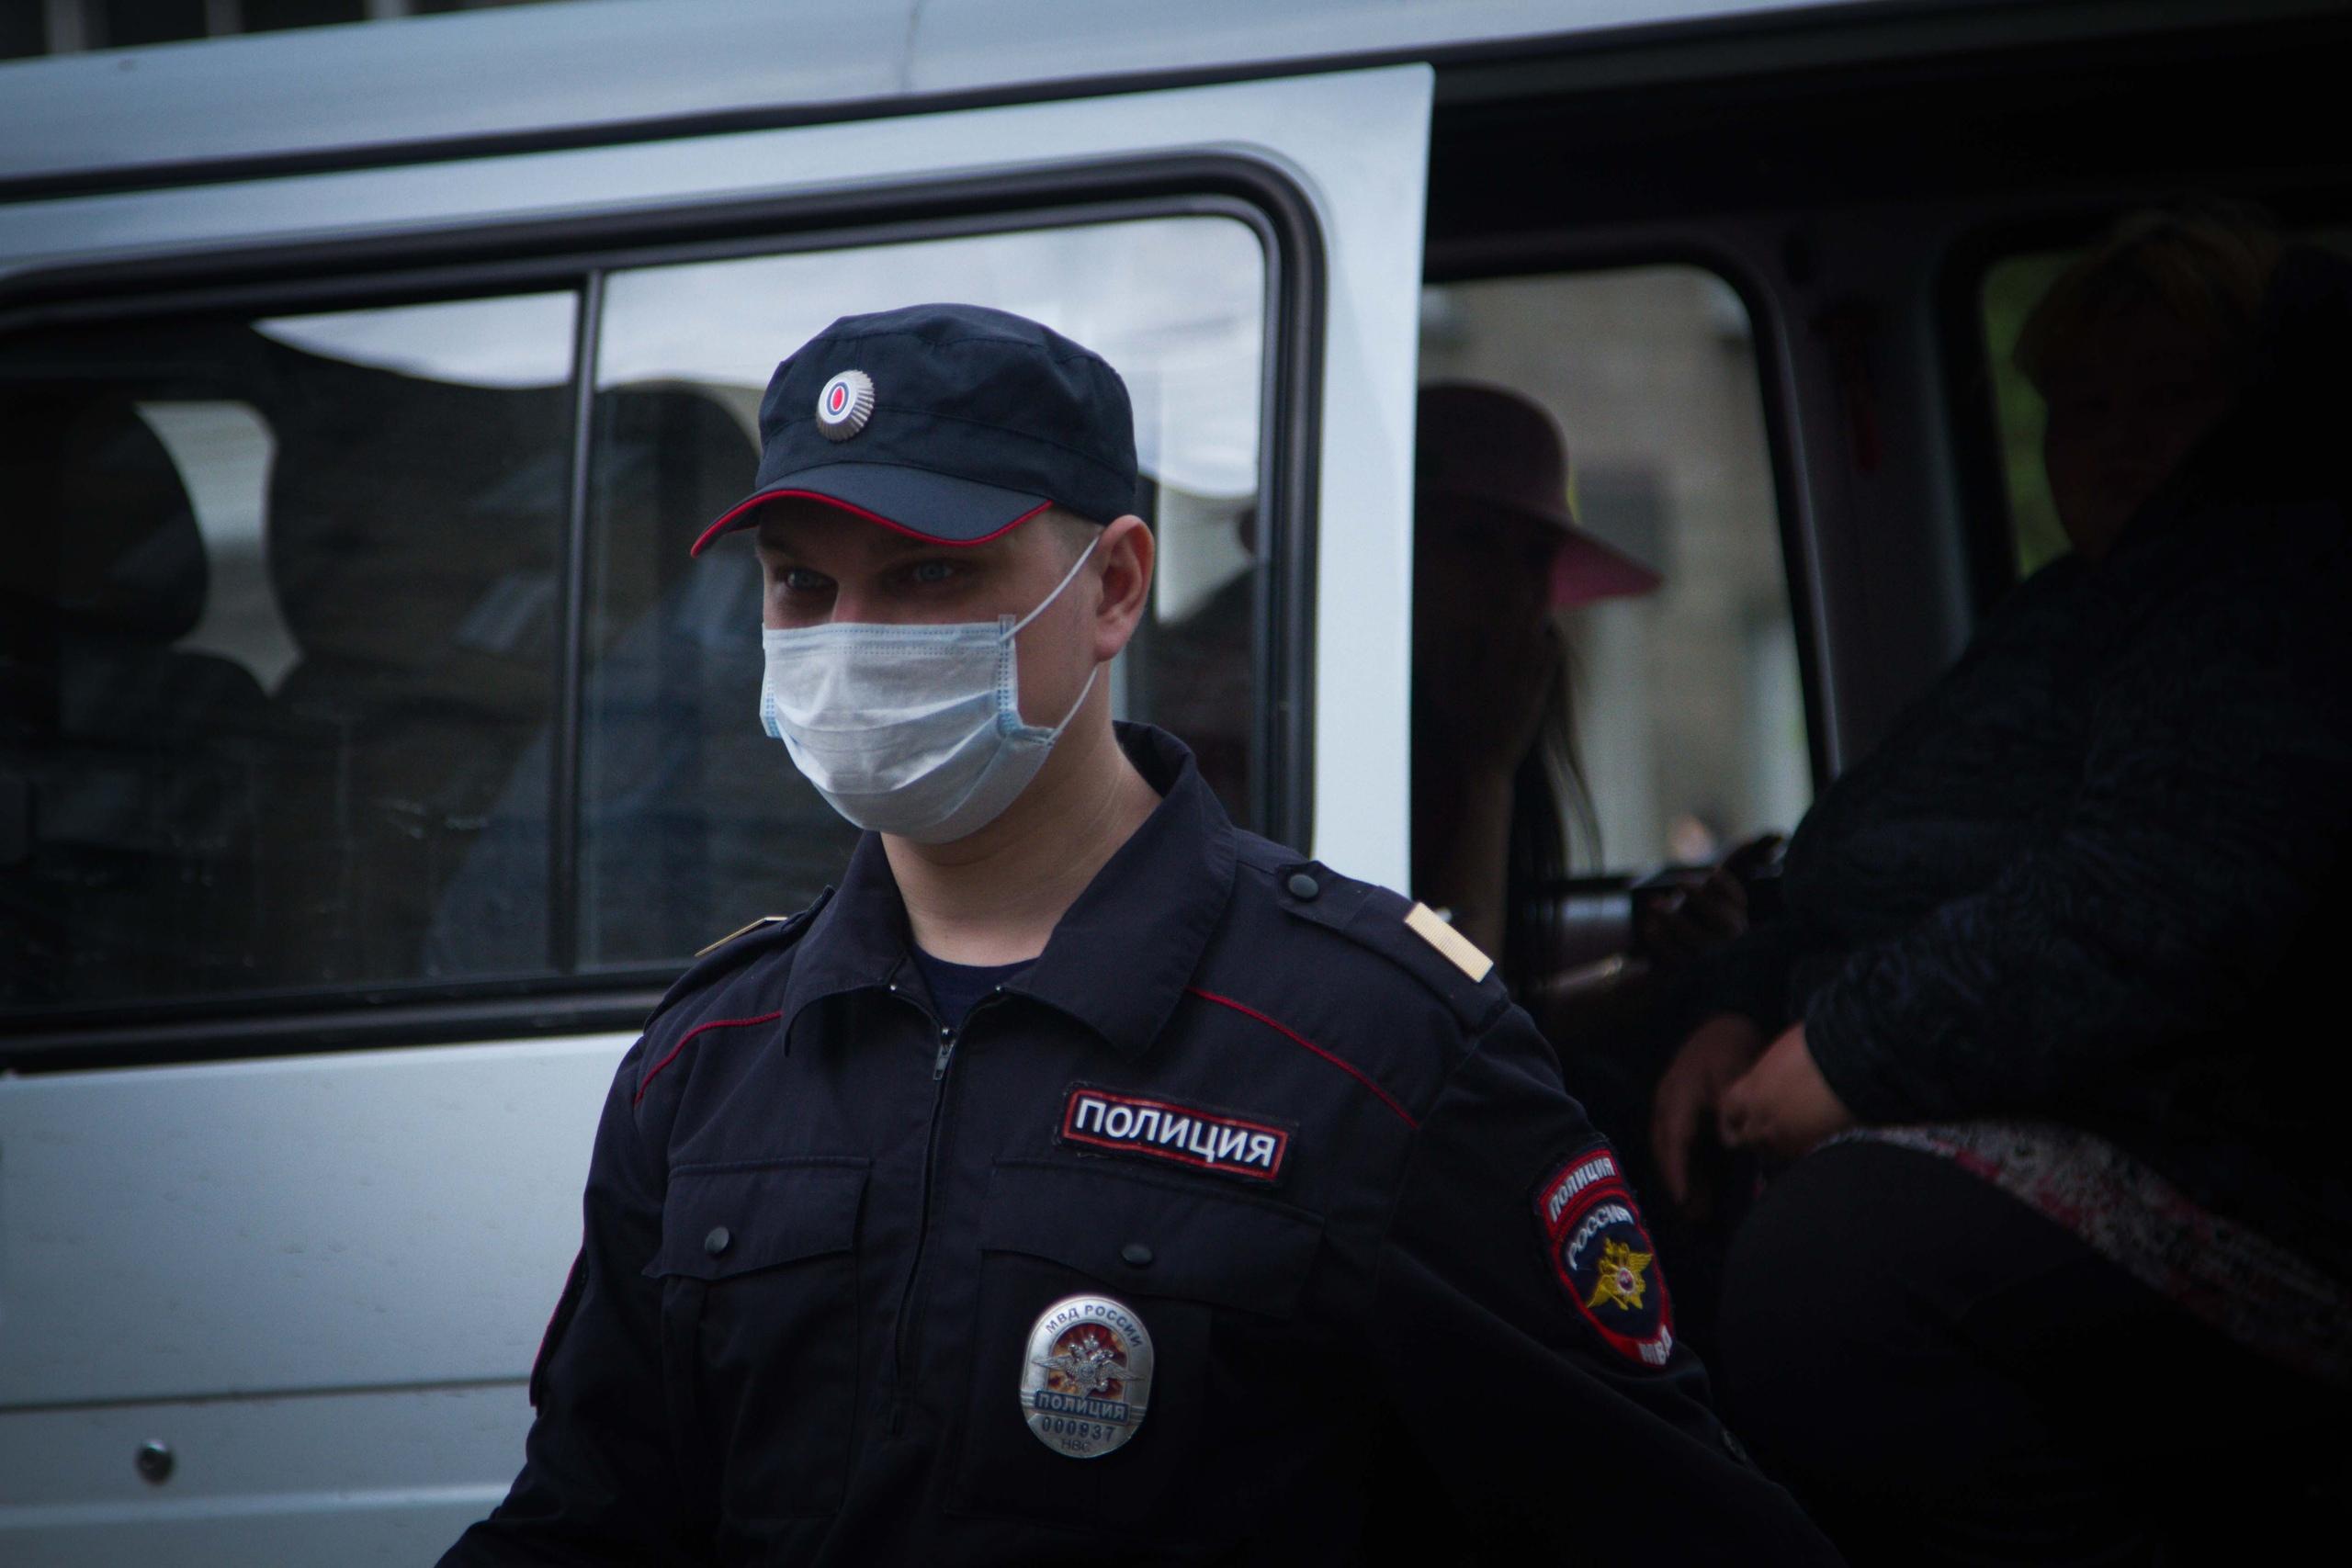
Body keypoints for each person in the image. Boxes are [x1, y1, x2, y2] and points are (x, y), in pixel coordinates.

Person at [439, 304, 1838, 1565]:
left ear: (1113, 588)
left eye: (927, 576)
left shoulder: (1377, 1048)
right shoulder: (710, 1062)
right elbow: (589, 1520)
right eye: (802, 585)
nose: (851, 640)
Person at [1648, 205, 2352, 1563]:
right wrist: (1734, 1005)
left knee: (1835, 1273)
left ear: (2252, 410)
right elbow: (1852, 863)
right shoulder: (2049, 615)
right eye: (2083, 408)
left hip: (2223, 1165)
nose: (2118, 441)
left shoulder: (2275, 595)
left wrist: (1849, 1053)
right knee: (1576, 1173)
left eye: (2168, 397)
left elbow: (2152, 901)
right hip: (1982, 1093)